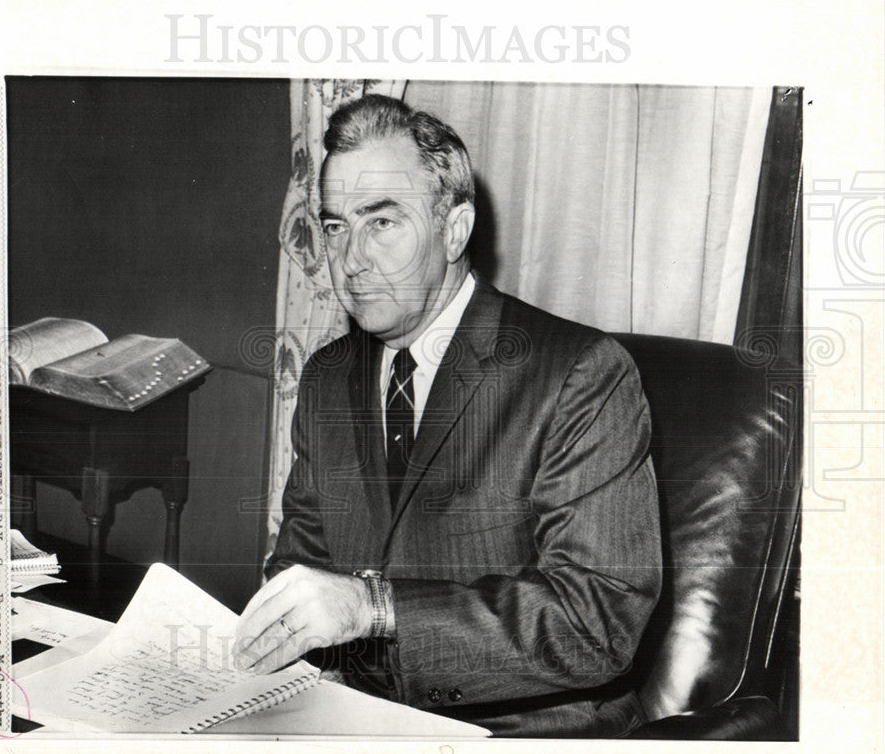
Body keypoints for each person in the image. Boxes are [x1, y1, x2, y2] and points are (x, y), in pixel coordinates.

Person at [234, 94, 662, 737]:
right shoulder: (326, 379)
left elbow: (597, 620)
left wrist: (372, 608)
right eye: (335, 227)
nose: (350, 261)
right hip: (360, 721)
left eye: (382, 223)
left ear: (454, 230)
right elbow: (300, 565)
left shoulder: (579, 374)